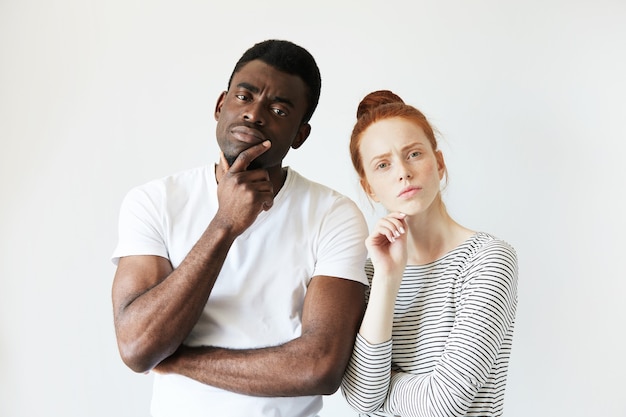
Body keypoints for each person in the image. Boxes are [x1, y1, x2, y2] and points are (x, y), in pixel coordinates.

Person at [110, 39, 369, 417]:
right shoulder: (153, 201)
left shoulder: (335, 215)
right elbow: (138, 346)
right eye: (244, 97)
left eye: (279, 109)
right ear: (220, 106)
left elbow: (320, 365)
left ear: (300, 134)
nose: (254, 114)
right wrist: (225, 224)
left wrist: (180, 361)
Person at [340, 90, 518, 416]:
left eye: (413, 154)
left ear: (438, 163)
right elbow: (360, 399)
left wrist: (381, 391)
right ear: (368, 187)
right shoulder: (368, 273)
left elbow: (443, 404)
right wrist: (386, 280)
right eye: (383, 164)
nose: (402, 172)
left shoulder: (487, 259)